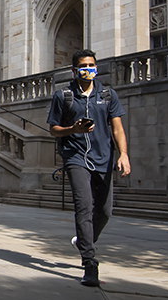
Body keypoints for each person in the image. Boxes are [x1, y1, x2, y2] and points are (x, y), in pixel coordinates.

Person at [47, 49, 130, 286]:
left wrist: (123, 154)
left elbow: (117, 128)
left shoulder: (107, 94)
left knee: (104, 211)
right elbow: (53, 129)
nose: (88, 70)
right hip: (75, 158)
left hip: (103, 158)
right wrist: (73, 129)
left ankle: (83, 240)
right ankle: (90, 263)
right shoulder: (64, 96)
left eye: (92, 65)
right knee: (83, 207)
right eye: (83, 66)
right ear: (75, 70)